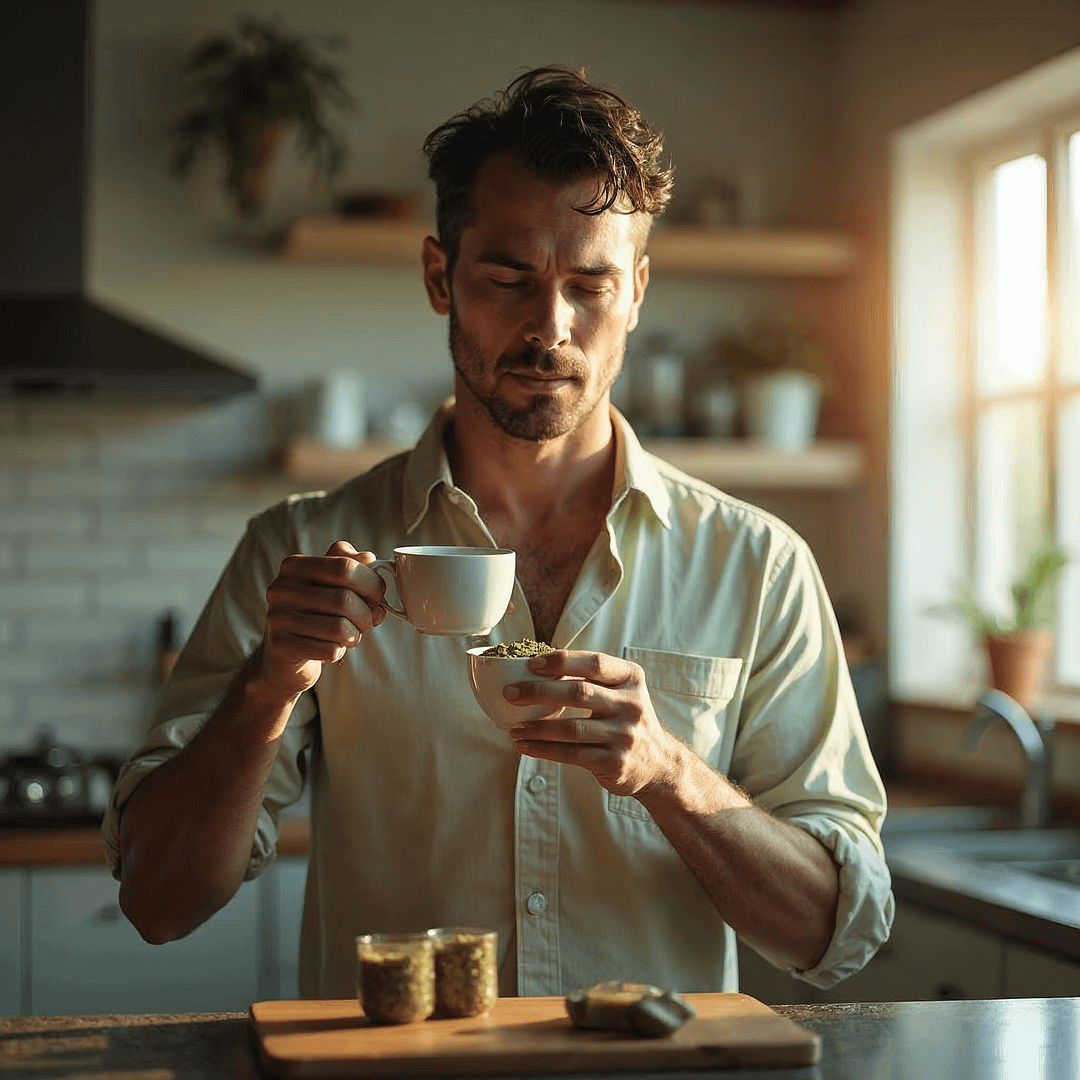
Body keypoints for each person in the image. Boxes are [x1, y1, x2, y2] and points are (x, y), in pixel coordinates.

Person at [105, 66, 893, 999]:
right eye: (509, 277)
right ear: (442, 277)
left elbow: (833, 936)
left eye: (590, 284)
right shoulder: (299, 550)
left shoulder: (757, 565)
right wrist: (266, 687)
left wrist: (669, 774)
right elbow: (159, 902)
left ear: (636, 292)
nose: (549, 326)